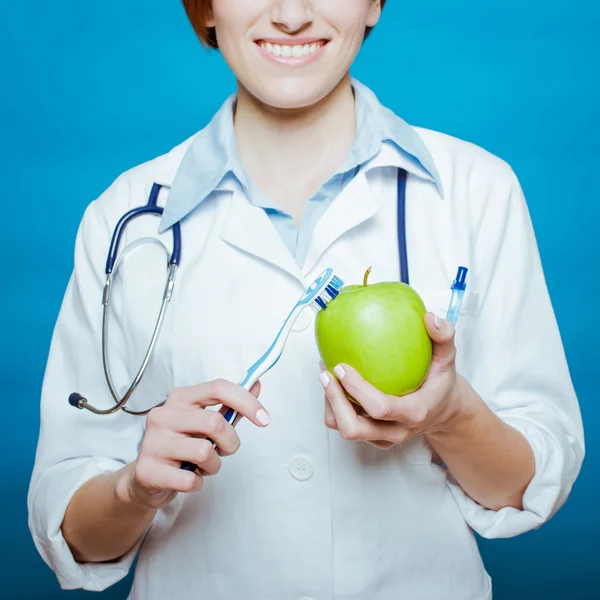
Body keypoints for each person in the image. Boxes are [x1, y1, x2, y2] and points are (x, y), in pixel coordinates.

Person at [28, 1, 584, 598]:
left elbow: (529, 484)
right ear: (208, 6)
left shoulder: (478, 191)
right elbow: (75, 535)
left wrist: (448, 415)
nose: (291, 14)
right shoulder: (124, 220)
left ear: (373, 3)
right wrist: (134, 489)